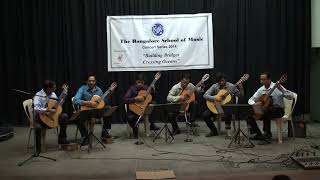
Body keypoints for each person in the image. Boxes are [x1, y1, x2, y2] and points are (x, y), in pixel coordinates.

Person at [247, 72, 292, 141]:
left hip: (279, 110)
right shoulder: (261, 89)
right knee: (248, 114)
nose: (261, 81)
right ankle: (258, 134)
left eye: (264, 79)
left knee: (266, 111)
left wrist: (281, 90)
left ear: (269, 79)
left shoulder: (277, 86)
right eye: (261, 80)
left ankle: (267, 135)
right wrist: (255, 104)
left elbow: (290, 97)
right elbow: (250, 100)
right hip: (265, 109)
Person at [73, 73, 116, 140]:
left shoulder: (99, 90)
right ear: (86, 81)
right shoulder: (82, 89)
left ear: (95, 81)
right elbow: (75, 100)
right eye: (90, 81)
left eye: (93, 81)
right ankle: (85, 136)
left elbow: (104, 101)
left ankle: (104, 133)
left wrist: (110, 93)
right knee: (77, 117)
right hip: (86, 111)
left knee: (108, 110)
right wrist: (88, 103)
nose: (91, 82)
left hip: (96, 111)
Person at [202, 73, 244, 137]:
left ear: (226, 80)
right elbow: (205, 95)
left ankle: (228, 130)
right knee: (205, 115)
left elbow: (240, 96)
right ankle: (214, 131)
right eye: (219, 81)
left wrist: (241, 89)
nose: (221, 82)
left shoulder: (231, 86)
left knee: (229, 110)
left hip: (227, 107)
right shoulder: (215, 86)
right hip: (216, 106)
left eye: (222, 81)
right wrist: (215, 98)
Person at [34, 80, 69, 153]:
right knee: (38, 127)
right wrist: (48, 110)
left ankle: (62, 139)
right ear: (48, 89)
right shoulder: (38, 95)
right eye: (54, 88)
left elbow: (57, 106)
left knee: (64, 116)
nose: (55, 89)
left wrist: (63, 97)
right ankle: (38, 149)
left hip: (52, 117)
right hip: (41, 118)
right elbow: (36, 108)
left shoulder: (53, 94)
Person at [123, 73, 160, 139]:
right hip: (134, 109)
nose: (140, 84)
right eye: (138, 82)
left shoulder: (147, 88)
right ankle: (135, 131)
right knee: (130, 118)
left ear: (144, 82)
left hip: (144, 109)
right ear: (136, 82)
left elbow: (152, 98)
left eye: (141, 82)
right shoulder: (132, 89)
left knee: (154, 103)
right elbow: (125, 99)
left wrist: (153, 91)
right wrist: (135, 98)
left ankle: (152, 124)